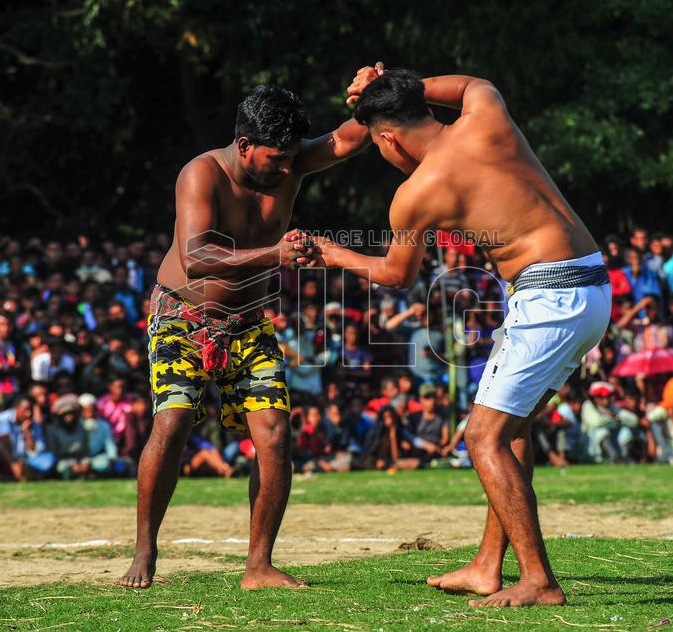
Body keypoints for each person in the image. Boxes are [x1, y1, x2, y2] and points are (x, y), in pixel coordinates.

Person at [310, 64, 611, 606]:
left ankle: (539, 580)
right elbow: (467, 84)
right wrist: (389, 84)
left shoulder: (416, 192)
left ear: (388, 139)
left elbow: (396, 276)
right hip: (591, 286)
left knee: (481, 438)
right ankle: (487, 565)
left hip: (548, 296)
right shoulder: (484, 110)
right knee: (511, 430)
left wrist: (332, 253)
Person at [121, 84, 371, 590]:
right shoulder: (201, 173)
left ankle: (259, 565)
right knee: (172, 425)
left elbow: (347, 142)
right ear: (243, 144)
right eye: (275, 159)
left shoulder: (291, 163)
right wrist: (273, 255)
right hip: (182, 317)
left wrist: (377, 95)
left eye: (291, 158)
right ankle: (144, 548)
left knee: (275, 436)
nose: (285, 169)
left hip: (250, 320)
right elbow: (197, 257)